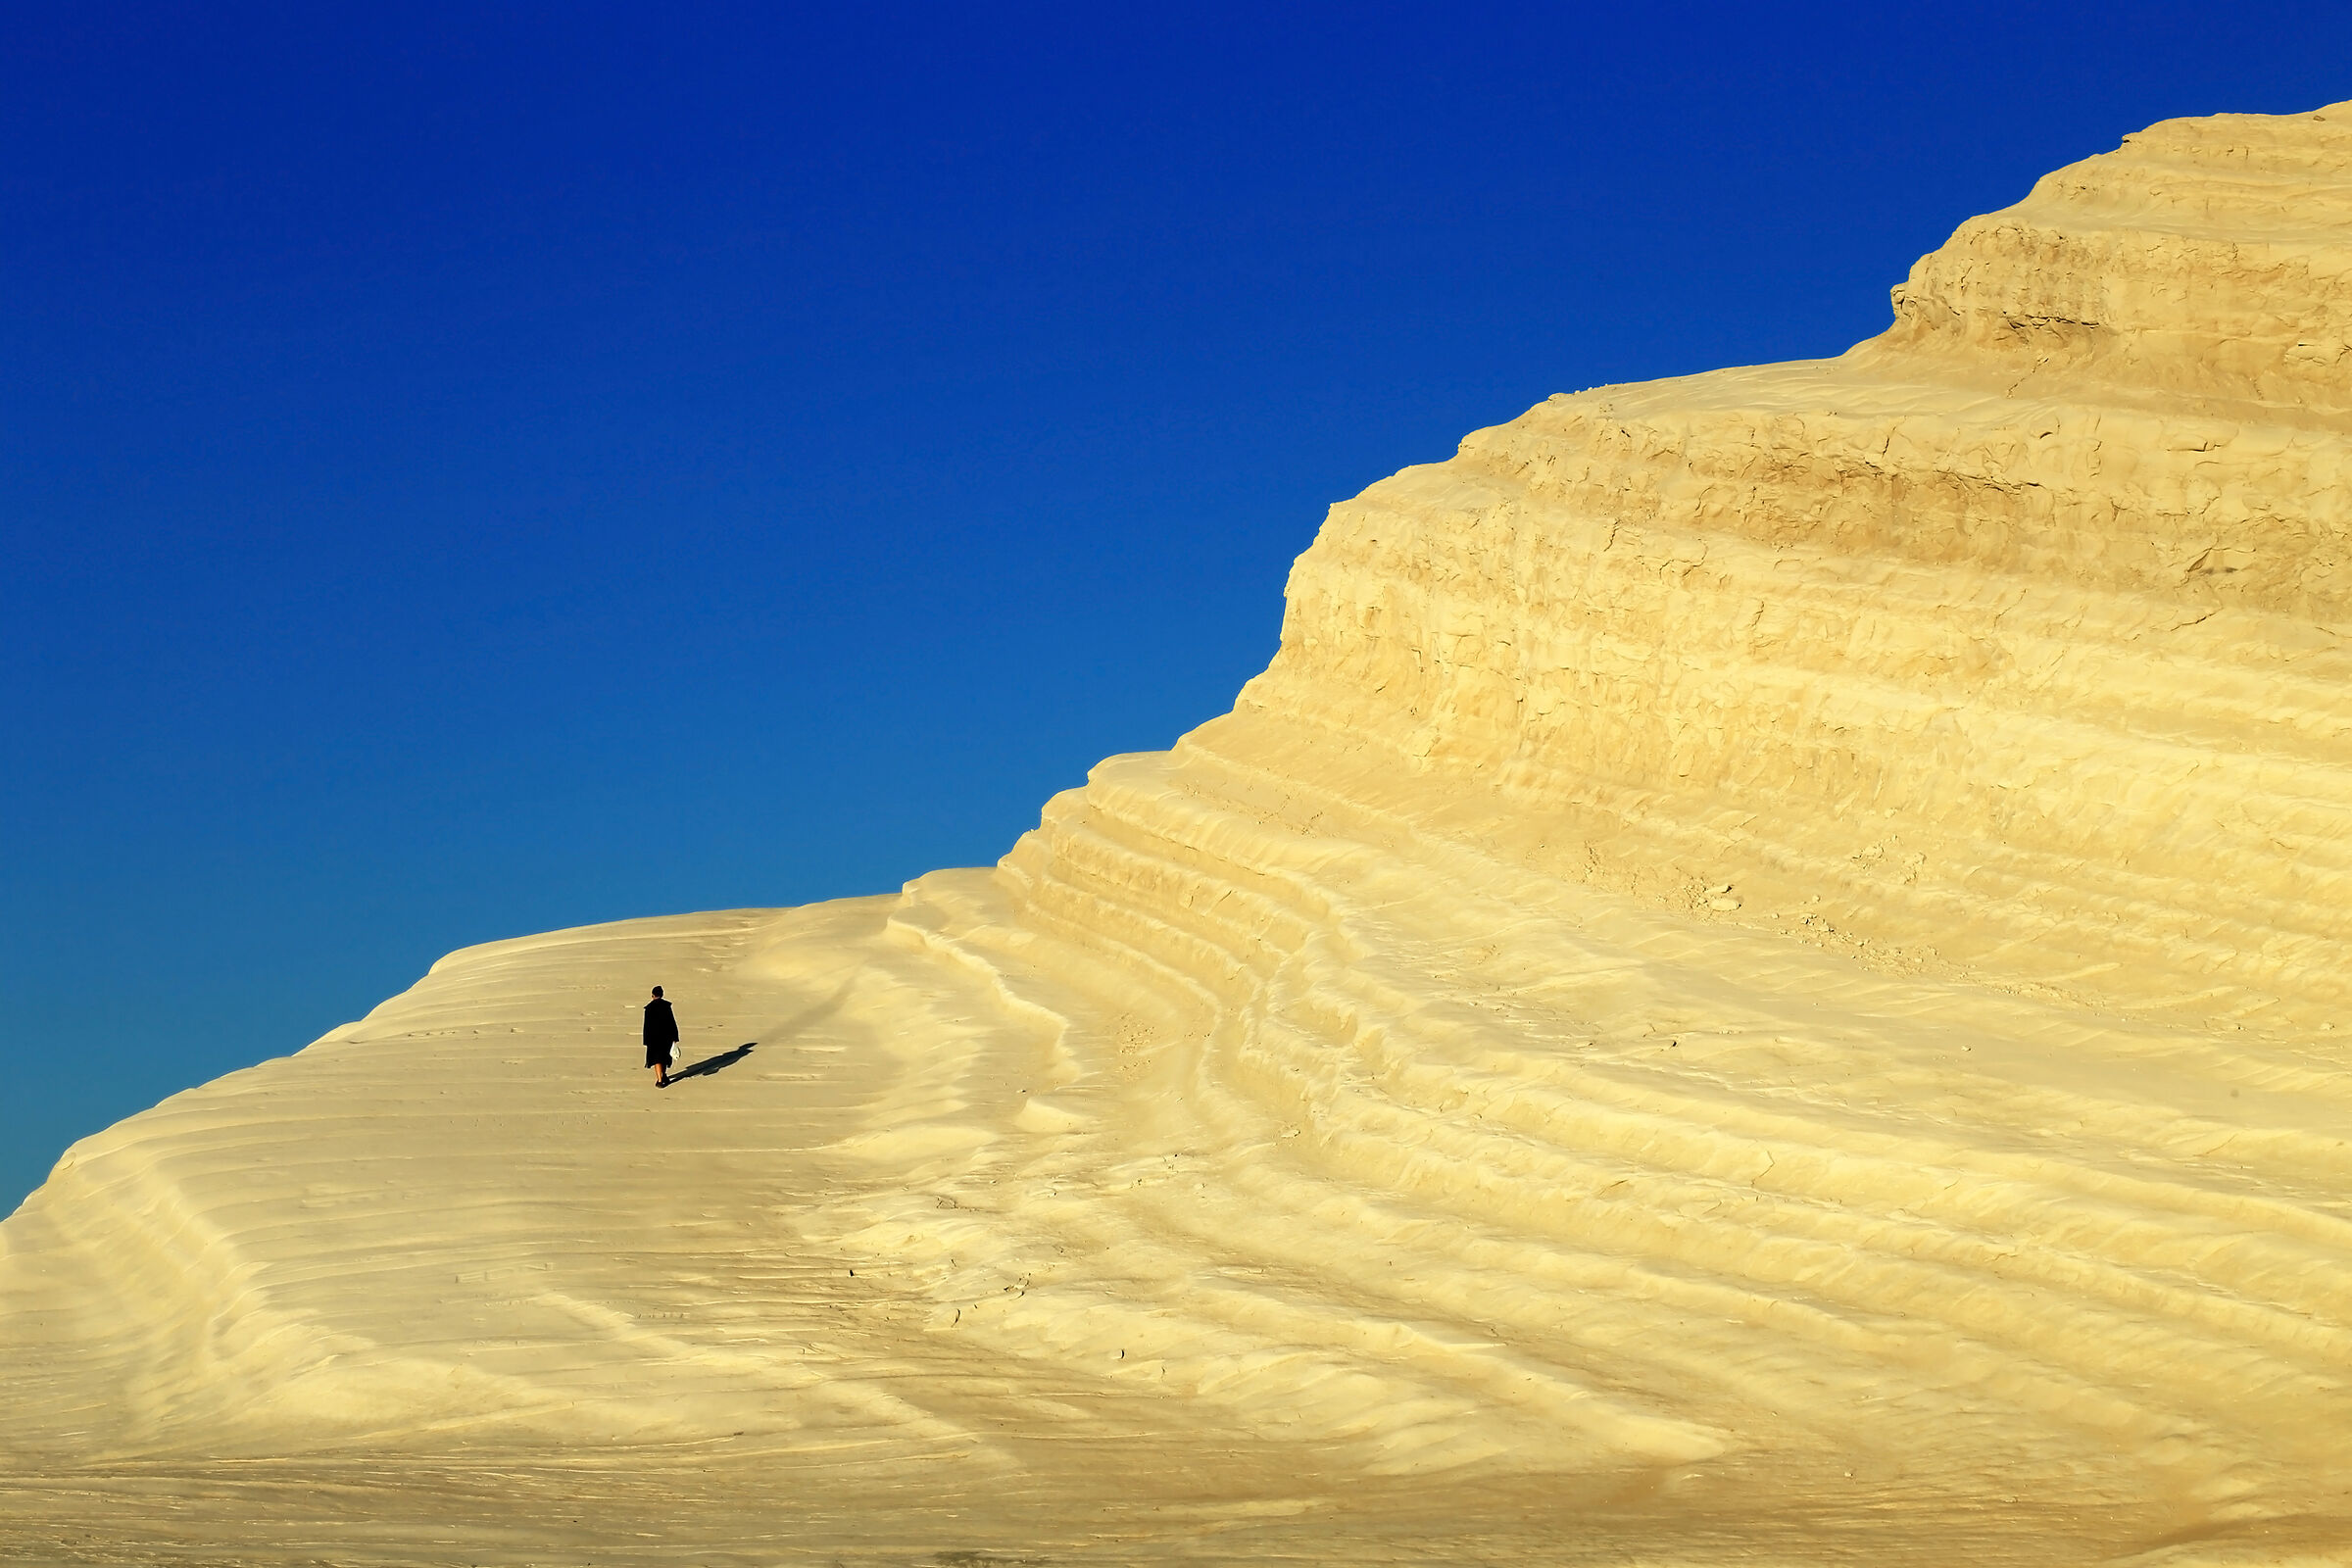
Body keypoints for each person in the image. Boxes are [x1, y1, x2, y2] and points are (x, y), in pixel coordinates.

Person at [644, 986, 680, 1088]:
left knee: (656, 1059)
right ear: (662, 994)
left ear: (652, 995)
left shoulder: (649, 1008)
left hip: (653, 1038)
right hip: (666, 1037)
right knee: (664, 1058)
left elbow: (646, 1026)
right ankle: (663, 1076)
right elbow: (672, 1022)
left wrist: (646, 1040)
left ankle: (660, 1080)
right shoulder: (666, 1006)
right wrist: (675, 1037)